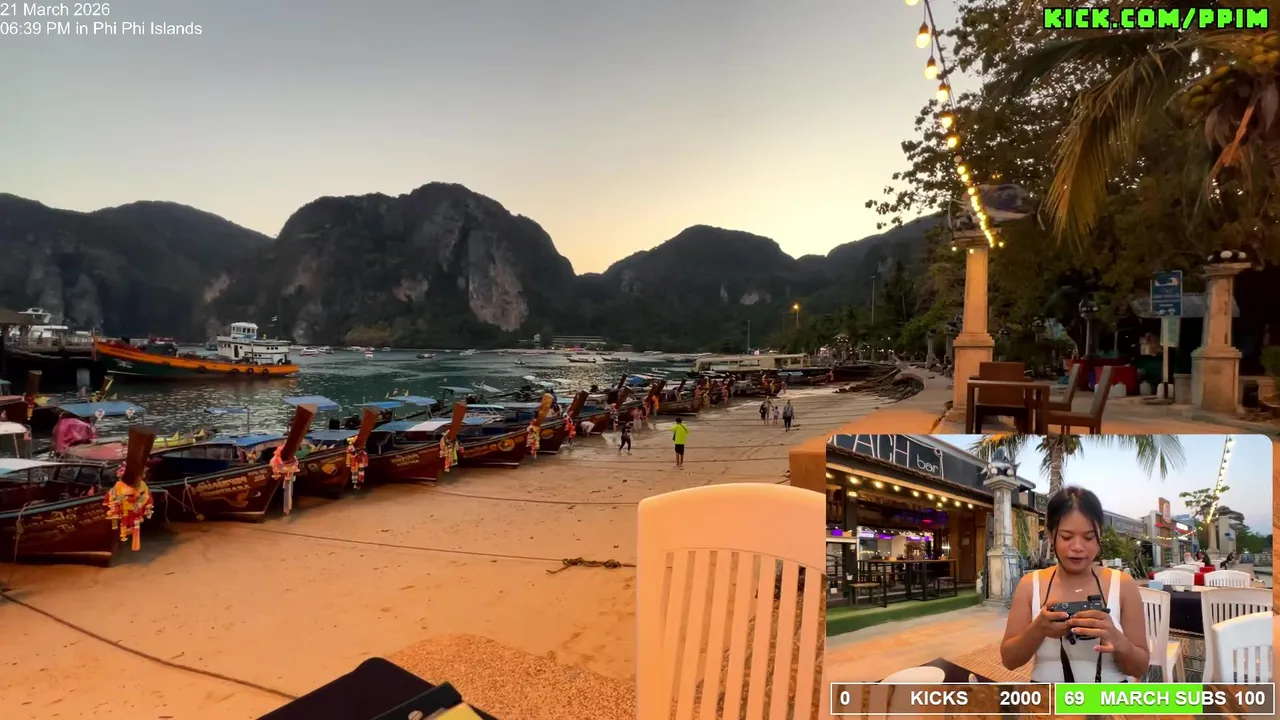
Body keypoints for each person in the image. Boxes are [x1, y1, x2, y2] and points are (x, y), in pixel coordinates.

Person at [1000, 486, 1149, 682]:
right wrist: (1038, 629)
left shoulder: (1123, 584)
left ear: (1099, 537)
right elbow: (1010, 661)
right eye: (1067, 537)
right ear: (1051, 535)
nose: (1078, 547)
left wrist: (1117, 640)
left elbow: (1139, 668)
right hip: (1048, 699)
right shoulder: (1030, 585)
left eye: (1088, 537)